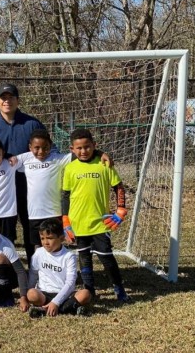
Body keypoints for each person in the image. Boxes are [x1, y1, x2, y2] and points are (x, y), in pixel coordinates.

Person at [0, 83, 52, 265]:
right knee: (2, 230)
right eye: (3, 98)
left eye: (11, 97)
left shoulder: (32, 124)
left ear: (18, 100)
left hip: (28, 186)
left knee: (30, 226)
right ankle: (0, 265)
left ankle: (37, 266)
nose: (7, 101)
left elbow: (49, 150)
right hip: (0, 191)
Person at [62, 128, 131, 303]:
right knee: (84, 259)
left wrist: (120, 210)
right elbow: (65, 195)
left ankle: (119, 290)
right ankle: (89, 290)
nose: (83, 151)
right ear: (72, 149)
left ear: (94, 146)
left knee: (106, 258)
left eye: (87, 147)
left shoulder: (104, 164)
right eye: (79, 148)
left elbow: (119, 187)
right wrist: (65, 220)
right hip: (78, 223)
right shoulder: (70, 168)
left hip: (101, 222)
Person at [17, 129, 73, 252]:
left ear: (51, 146)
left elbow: (78, 154)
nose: (41, 151)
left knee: (55, 245)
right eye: (36, 148)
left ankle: (57, 269)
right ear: (30, 147)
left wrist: (100, 153)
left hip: (54, 212)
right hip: (34, 214)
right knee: (38, 247)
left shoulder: (58, 159)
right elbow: (7, 162)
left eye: (45, 147)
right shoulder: (25, 159)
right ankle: (36, 271)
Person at [27, 218, 91, 318]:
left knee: (86, 294)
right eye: (42, 238)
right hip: (44, 294)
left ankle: (45, 310)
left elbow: (70, 283)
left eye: (50, 238)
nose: (45, 242)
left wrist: (56, 302)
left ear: (61, 238)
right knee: (31, 294)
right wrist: (27, 297)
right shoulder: (39, 252)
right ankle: (70, 309)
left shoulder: (69, 256)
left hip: (64, 294)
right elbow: (33, 274)